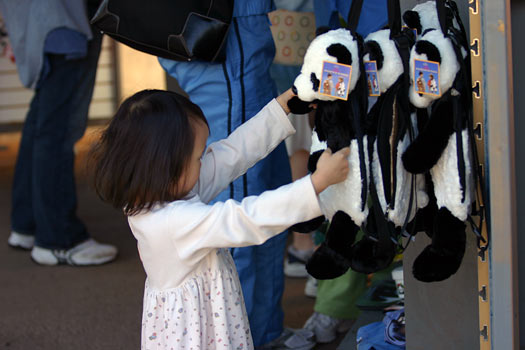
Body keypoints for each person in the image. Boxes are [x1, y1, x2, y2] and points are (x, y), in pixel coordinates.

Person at [88, 88, 351, 349]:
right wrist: (315, 184)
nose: (205, 160)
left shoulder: (163, 191)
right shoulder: (173, 221)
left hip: (205, 316)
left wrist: (281, 108)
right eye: (198, 156)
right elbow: (247, 219)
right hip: (194, 331)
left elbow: (231, 154)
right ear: (167, 166)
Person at [158, 1, 294, 346]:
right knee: (241, 205)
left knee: (262, 180)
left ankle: (261, 331)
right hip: (219, 22)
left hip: (226, 20)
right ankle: (240, 336)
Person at [1, 0, 117, 265]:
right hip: (62, 21)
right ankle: (59, 239)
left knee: (42, 123)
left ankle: (28, 224)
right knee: (58, 132)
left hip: (34, 22)